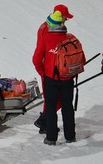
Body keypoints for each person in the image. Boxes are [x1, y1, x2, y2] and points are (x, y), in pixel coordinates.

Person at [32, 5, 84, 145]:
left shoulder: (45, 37)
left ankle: (51, 138)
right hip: (67, 79)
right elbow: (80, 58)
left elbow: (36, 59)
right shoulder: (71, 37)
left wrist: (43, 72)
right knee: (67, 106)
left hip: (51, 79)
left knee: (50, 107)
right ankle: (70, 136)